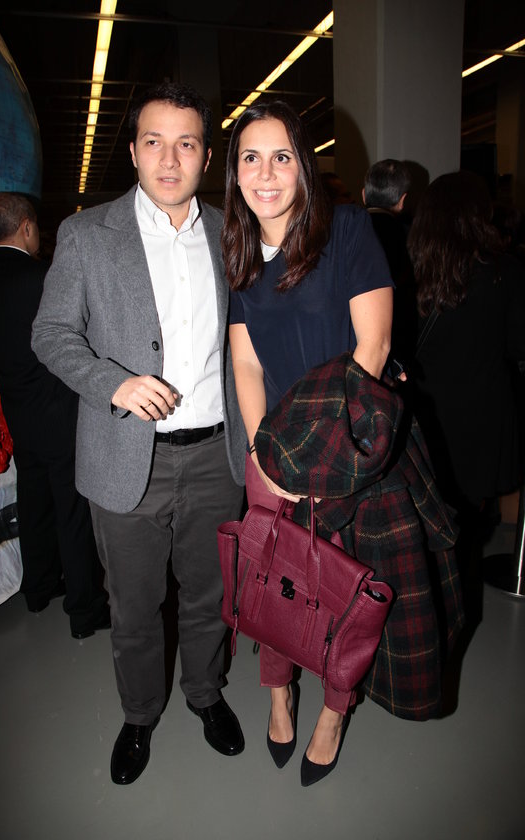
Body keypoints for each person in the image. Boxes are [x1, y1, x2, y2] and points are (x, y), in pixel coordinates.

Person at [32, 83, 247, 786]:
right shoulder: (87, 234)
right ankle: (139, 713)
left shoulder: (231, 233)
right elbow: (51, 333)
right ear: (132, 150)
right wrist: (113, 383)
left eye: (186, 143)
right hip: (127, 457)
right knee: (134, 605)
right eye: (154, 142)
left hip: (215, 454)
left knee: (209, 595)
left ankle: (206, 694)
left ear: (207, 156)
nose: (169, 159)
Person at [222, 101, 394, 785]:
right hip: (273, 451)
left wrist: (317, 459)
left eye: (281, 157)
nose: (266, 174)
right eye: (251, 158)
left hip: (343, 449)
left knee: (343, 588)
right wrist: (264, 453)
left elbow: (373, 346)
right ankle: (278, 693)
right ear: (235, 173)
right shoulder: (240, 253)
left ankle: (335, 707)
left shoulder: (345, 230)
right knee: (270, 577)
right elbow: (245, 363)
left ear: (304, 166)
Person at [0, 192, 109, 637]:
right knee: (71, 509)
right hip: (57, 410)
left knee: (33, 501)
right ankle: (84, 610)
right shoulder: (41, 277)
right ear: (27, 227)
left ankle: (38, 588)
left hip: (18, 409)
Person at [406, 171, 525, 520]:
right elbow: (518, 345)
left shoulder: (407, 269)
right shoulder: (504, 270)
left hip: (422, 413)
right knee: (470, 517)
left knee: (423, 514)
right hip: (481, 414)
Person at [362, 159, 416, 371]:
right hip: (396, 341)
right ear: (402, 201)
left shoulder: (345, 230)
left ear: (364, 195)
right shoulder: (410, 236)